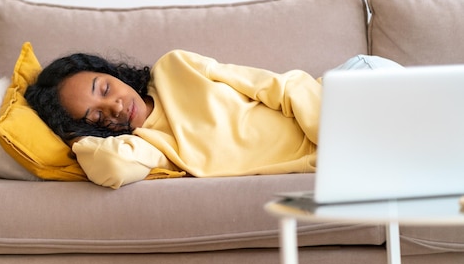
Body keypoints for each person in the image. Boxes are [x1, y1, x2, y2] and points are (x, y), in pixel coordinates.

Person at [25, 50, 402, 189]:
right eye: (97, 116)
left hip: (346, 91)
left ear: (112, 73)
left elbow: (278, 87)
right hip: (348, 150)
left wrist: (340, 138)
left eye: (105, 89)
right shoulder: (146, 149)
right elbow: (110, 167)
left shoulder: (175, 67)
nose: (117, 108)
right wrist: (78, 138)